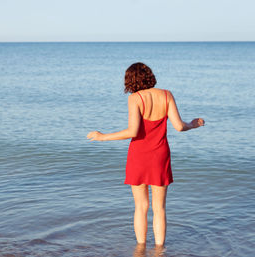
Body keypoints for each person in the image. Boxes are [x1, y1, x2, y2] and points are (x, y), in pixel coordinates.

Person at [86, 62, 205, 247]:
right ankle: (159, 252)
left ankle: (140, 250)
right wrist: (193, 124)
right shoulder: (167, 95)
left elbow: (133, 131)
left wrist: (103, 137)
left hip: (138, 156)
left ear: (130, 81)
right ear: (149, 76)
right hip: (160, 155)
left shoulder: (135, 98)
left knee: (141, 207)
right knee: (160, 208)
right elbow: (180, 126)